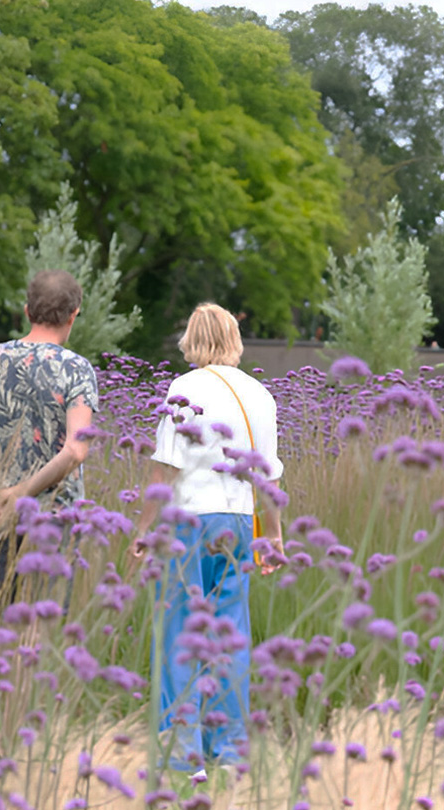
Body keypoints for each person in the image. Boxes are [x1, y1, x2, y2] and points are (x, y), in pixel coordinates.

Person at [136, 302, 284, 773]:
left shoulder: (184, 388)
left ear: (192, 340)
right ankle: (230, 748)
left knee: (182, 632)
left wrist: (143, 529)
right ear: (235, 339)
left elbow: (167, 465)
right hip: (239, 523)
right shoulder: (260, 394)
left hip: (188, 521)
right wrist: (274, 538)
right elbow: (268, 476)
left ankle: (183, 754)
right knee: (231, 634)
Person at [0, 269, 98, 615]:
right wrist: (23, 493)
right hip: (55, 514)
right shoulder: (77, 370)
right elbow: (75, 450)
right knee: (40, 629)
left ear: (27, 311)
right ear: (73, 314)